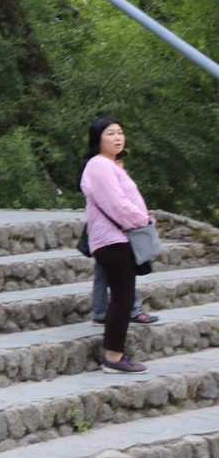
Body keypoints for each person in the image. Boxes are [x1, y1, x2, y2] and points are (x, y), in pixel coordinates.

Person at [81, 116, 155, 373]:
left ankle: (114, 355)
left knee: (123, 297)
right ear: (98, 139)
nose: (118, 137)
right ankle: (113, 358)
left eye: (120, 132)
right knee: (122, 298)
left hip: (120, 237)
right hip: (113, 239)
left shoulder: (110, 165)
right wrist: (142, 220)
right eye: (110, 133)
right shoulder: (99, 165)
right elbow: (116, 203)